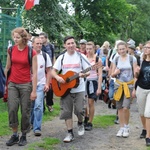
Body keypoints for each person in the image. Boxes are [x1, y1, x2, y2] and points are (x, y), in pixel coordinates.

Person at [51, 36, 90, 142]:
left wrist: (84, 74)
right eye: (68, 43)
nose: (71, 45)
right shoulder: (62, 57)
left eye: (72, 43)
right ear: (65, 45)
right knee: (67, 112)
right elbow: (53, 71)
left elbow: (89, 71)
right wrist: (58, 77)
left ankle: (80, 123)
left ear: (75, 44)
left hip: (79, 88)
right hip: (65, 89)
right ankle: (70, 133)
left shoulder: (81, 57)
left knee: (79, 110)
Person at [4, 27, 37, 146]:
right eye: (14, 37)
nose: (15, 39)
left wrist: (34, 90)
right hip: (12, 83)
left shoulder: (31, 52)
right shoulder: (11, 50)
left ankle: (23, 135)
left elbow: (35, 73)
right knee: (12, 109)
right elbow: (7, 67)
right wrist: (4, 84)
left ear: (23, 38)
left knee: (25, 111)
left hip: (26, 84)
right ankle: (14, 135)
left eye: (17, 37)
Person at [111, 41, 137, 138]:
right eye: (120, 49)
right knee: (120, 108)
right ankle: (121, 128)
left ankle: (126, 126)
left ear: (127, 48)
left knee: (126, 107)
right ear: (117, 50)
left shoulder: (132, 58)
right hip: (118, 85)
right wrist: (115, 72)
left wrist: (134, 88)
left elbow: (135, 75)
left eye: (123, 49)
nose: (122, 51)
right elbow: (112, 74)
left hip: (129, 85)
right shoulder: (116, 58)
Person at [30, 37, 52, 136]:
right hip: (28, 84)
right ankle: (31, 123)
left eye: (40, 44)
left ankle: (37, 127)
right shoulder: (29, 55)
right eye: (37, 43)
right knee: (30, 106)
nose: (39, 45)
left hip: (40, 83)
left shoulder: (45, 56)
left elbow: (48, 71)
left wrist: (47, 84)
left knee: (38, 105)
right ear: (33, 44)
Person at [132, 41, 150, 146]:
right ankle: (145, 128)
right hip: (141, 88)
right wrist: (134, 89)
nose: (146, 49)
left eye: (149, 47)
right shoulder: (141, 61)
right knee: (142, 113)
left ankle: (148, 136)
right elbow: (136, 76)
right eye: (146, 47)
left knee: (148, 113)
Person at [85, 41, 102, 131]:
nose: (88, 51)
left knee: (90, 102)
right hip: (84, 82)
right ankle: (85, 117)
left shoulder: (97, 59)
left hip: (93, 81)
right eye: (87, 49)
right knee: (84, 103)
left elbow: (100, 75)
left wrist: (99, 87)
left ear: (94, 48)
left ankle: (90, 122)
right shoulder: (84, 58)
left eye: (90, 49)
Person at [39, 32, 55, 112]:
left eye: (42, 38)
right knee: (41, 88)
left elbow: (53, 57)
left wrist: (54, 68)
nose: (41, 39)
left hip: (49, 69)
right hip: (41, 69)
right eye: (40, 38)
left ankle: (49, 104)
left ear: (46, 38)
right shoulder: (39, 46)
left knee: (50, 88)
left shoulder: (51, 46)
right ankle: (42, 107)